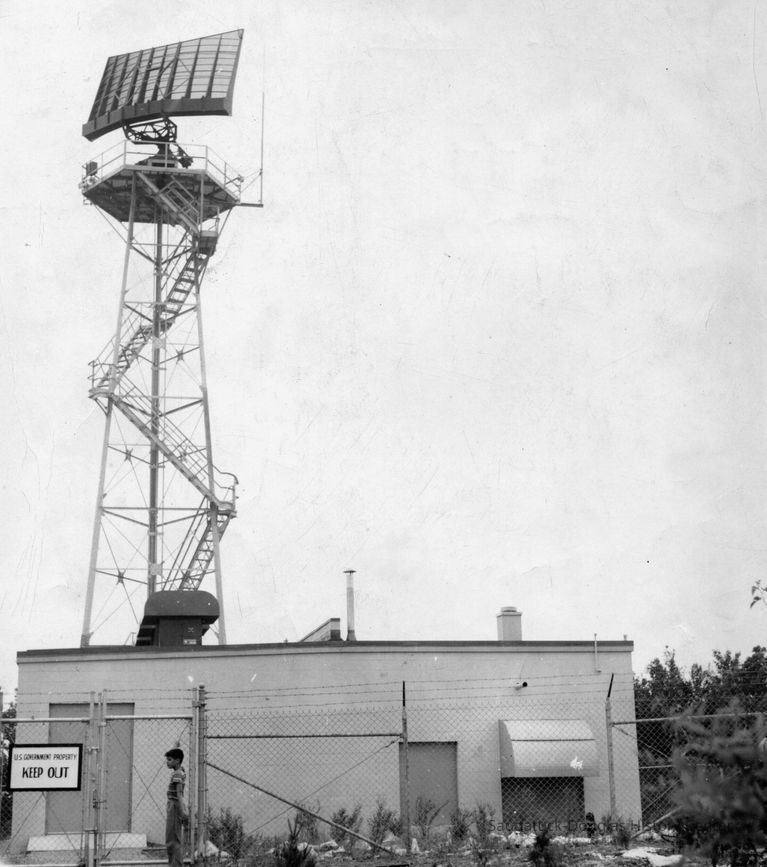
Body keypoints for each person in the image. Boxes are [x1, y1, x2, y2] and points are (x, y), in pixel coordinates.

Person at [164, 748, 188, 867]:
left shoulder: (178, 773)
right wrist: (176, 746)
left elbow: (179, 793)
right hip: (173, 805)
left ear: (177, 760)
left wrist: (182, 810)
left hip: (175, 805)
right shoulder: (179, 770)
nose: (167, 762)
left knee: (173, 840)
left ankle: (176, 865)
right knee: (171, 838)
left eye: (169, 760)